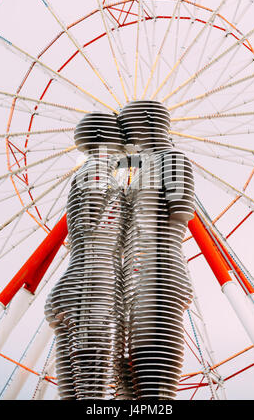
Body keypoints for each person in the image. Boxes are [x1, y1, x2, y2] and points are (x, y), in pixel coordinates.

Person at [44, 112, 127, 400]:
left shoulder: (91, 170)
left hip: (75, 286)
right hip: (91, 291)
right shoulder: (98, 171)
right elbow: (94, 223)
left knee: (77, 394)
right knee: (91, 394)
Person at [118, 100, 195, 399]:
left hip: (161, 271)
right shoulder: (137, 168)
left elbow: (178, 212)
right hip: (136, 274)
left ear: (149, 120)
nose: (125, 136)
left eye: (128, 126)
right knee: (126, 368)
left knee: (151, 368)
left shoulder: (172, 158)